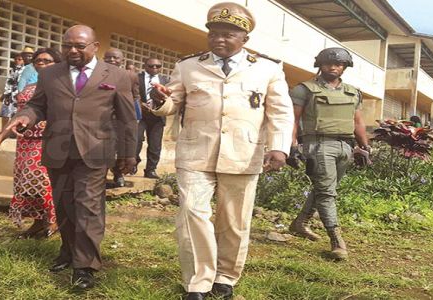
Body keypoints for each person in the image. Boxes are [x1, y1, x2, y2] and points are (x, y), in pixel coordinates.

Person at [149, 3, 294, 299]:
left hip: (244, 153)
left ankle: (225, 277)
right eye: (213, 33)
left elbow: (281, 112)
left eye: (228, 34)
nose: (219, 39)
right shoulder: (188, 66)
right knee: (192, 213)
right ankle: (199, 282)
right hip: (195, 153)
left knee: (234, 220)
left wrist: (279, 148)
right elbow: (172, 104)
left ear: (245, 39)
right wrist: (160, 98)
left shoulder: (268, 69)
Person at [6, 25, 137, 290]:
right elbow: (37, 106)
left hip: (95, 151)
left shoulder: (119, 76)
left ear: (94, 46)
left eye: (79, 46)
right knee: (64, 204)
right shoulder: (50, 74)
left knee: (87, 206)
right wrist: (25, 117)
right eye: (67, 45)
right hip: (58, 149)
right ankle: (67, 252)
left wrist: (128, 154)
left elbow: (127, 118)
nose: (72, 50)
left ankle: (85, 266)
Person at [288, 47, 370, 261]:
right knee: (326, 193)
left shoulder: (353, 92)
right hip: (318, 145)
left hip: (346, 146)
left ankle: (300, 223)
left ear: (345, 67)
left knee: (326, 189)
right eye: (328, 63)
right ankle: (336, 240)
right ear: (319, 65)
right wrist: (291, 145)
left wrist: (365, 147)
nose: (333, 67)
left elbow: (358, 122)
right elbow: (292, 120)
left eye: (339, 64)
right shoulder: (304, 89)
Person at [0, 48, 62, 239]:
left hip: (46, 142)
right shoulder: (29, 87)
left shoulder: (62, 87)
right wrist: (0, 138)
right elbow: (19, 115)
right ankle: (37, 222)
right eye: (38, 61)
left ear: (58, 63)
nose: (41, 64)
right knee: (25, 184)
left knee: (43, 184)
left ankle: (53, 220)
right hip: (25, 143)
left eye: (47, 61)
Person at [104, 48, 142, 187]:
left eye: (115, 58)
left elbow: (136, 95)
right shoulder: (97, 74)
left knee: (121, 147)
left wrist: (135, 115)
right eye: (108, 57)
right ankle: (101, 176)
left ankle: (118, 174)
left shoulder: (130, 76)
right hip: (102, 118)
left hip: (121, 117)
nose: (112, 60)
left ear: (122, 60)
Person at [136, 57, 170, 179]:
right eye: (151, 66)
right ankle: (134, 162)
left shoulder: (166, 80)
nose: (154, 68)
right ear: (145, 66)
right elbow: (131, 94)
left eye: (157, 66)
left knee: (155, 145)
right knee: (136, 139)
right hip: (140, 115)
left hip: (157, 116)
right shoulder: (137, 78)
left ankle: (150, 170)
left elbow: (170, 97)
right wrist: (139, 104)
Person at [0, 48, 31, 131]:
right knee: (5, 113)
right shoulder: (13, 70)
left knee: (15, 114)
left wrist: (21, 93)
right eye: (15, 59)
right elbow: (9, 82)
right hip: (9, 95)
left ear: (23, 60)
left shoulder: (26, 70)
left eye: (19, 59)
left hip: (18, 95)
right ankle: (3, 131)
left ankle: (13, 132)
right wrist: (5, 93)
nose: (17, 61)